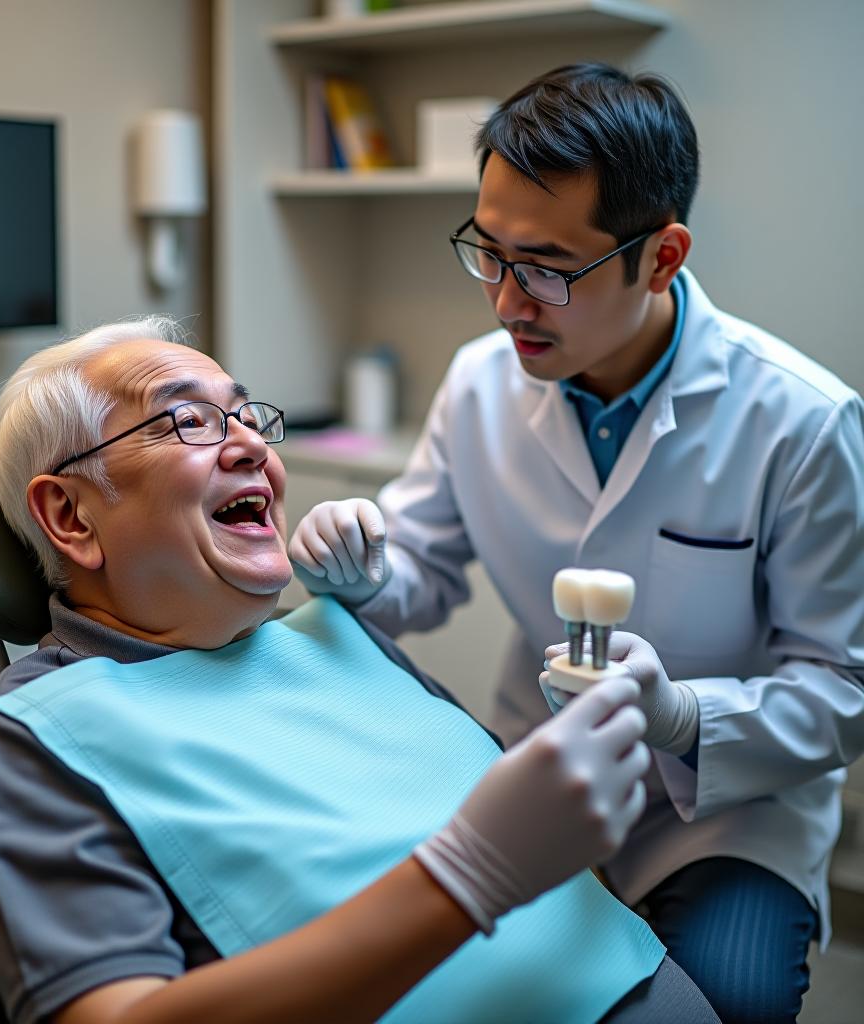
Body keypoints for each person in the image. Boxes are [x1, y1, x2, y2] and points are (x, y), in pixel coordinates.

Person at [289, 63, 864, 1024]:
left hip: (726, 816)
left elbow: (846, 689)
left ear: (663, 256)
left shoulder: (801, 420)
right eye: (489, 251)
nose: (509, 302)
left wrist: (682, 715)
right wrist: (355, 566)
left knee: (723, 1002)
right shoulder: (480, 383)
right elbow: (418, 574)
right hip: (534, 771)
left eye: (550, 267)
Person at [0, 316, 720, 1024]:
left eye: (247, 417)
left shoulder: (338, 633)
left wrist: (648, 724)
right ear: (72, 517)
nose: (251, 446)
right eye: (186, 421)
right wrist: (470, 876)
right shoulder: (30, 738)